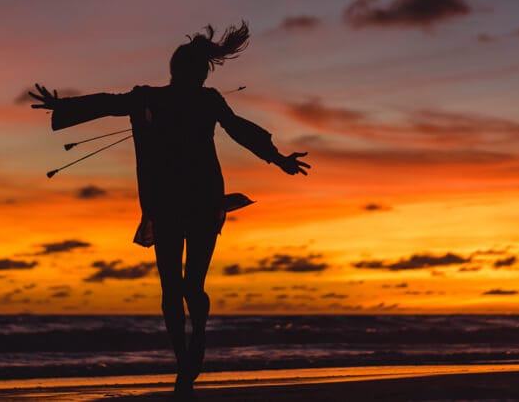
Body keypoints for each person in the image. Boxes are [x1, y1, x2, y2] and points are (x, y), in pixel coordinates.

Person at [28, 22, 309, 398]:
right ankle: (189, 356)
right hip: (198, 199)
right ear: (199, 71)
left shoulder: (153, 98)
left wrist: (62, 106)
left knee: (174, 287)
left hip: (173, 201)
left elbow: (108, 103)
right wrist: (278, 159)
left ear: (175, 69)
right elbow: (238, 129)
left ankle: (185, 358)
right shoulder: (201, 100)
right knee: (190, 285)